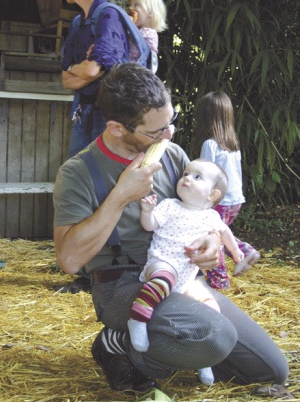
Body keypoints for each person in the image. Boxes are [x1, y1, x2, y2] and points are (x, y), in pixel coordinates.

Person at [53, 63, 288, 394]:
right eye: (156, 131)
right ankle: (117, 343)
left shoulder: (174, 155)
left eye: (171, 122)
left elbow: (199, 211)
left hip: (181, 277)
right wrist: (121, 196)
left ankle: (170, 344)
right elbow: (69, 260)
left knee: (271, 370)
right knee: (214, 336)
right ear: (117, 128)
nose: (169, 135)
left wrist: (210, 243)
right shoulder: (78, 172)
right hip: (121, 282)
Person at [128, 158, 245, 385]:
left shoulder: (212, 216)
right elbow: (150, 224)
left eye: (197, 177)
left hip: (187, 276)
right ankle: (137, 319)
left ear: (213, 195)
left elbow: (225, 233)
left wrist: (235, 251)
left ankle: (203, 359)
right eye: (186, 173)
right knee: (163, 280)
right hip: (162, 263)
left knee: (211, 307)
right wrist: (147, 210)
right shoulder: (170, 205)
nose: (186, 178)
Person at [60, 0, 129, 157]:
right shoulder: (77, 22)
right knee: (77, 173)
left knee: (102, 177)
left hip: (107, 113)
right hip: (82, 110)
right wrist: (84, 69)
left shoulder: (109, 15)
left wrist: (85, 69)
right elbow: (66, 79)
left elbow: (90, 70)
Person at [193, 91, 261, 289]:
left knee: (213, 236)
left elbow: (205, 173)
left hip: (219, 200)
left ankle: (219, 279)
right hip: (235, 199)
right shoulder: (233, 145)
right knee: (220, 232)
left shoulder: (211, 145)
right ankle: (244, 251)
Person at [129, 0, 167, 73]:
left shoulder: (150, 33)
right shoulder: (140, 30)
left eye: (136, 5)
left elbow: (135, 38)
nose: (131, 8)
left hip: (137, 74)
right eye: (131, 5)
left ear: (150, 13)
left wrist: (128, 25)